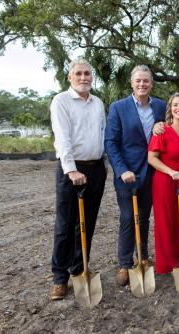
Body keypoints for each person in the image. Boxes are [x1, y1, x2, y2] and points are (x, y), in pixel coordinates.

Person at [49, 58, 107, 300]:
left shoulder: (98, 103)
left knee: (87, 223)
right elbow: (63, 138)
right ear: (70, 77)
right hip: (71, 170)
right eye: (79, 74)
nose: (84, 78)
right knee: (66, 223)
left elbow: (102, 133)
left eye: (87, 74)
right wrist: (72, 170)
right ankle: (59, 277)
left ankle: (79, 268)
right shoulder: (61, 101)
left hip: (95, 169)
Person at [105, 65, 166, 286]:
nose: (142, 84)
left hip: (151, 172)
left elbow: (168, 130)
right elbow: (110, 143)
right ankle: (124, 263)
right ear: (132, 83)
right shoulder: (118, 107)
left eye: (146, 81)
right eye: (138, 81)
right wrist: (122, 170)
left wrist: (162, 125)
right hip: (127, 174)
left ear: (151, 83)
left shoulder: (160, 106)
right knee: (128, 217)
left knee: (144, 216)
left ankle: (143, 256)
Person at [147, 93, 179, 274]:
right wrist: (170, 172)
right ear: (170, 109)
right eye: (175, 105)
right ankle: (166, 263)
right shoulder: (162, 130)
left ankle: (176, 256)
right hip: (165, 179)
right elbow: (151, 158)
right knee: (165, 221)